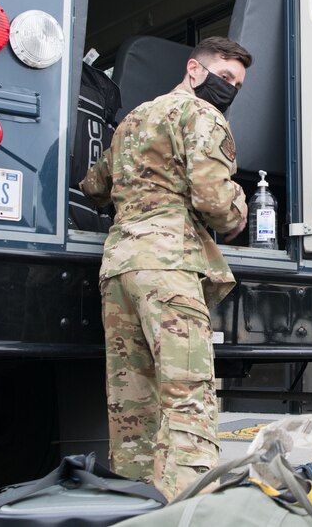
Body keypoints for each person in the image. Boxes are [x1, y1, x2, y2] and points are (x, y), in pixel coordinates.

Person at [81, 36, 251, 500]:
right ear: (195, 71)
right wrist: (240, 205)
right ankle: (189, 508)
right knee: (188, 394)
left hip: (119, 267)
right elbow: (215, 200)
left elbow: (95, 184)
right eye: (224, 77)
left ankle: (135, 503)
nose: (229, 89)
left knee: (132, 404)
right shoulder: (203, 116)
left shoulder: (133, 119)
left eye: (236, 83)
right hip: (168, 265)